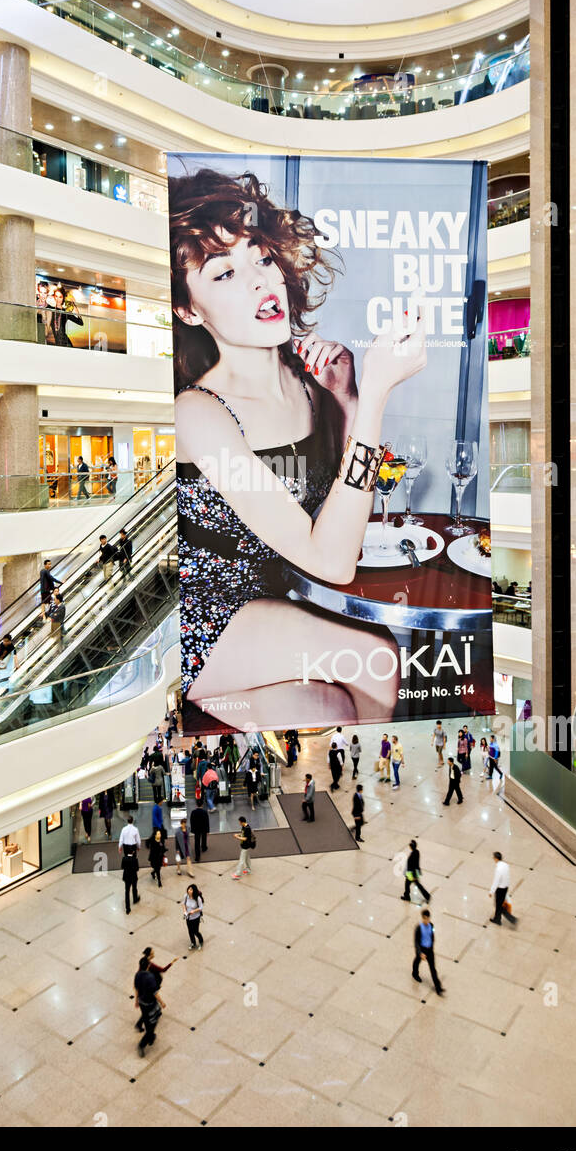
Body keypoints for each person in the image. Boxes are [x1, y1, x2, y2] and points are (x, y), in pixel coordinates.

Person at [170, 166, 425, 730]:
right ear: (188, 310)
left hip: (285, 599)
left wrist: (352, 403)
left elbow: (346, 518)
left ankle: (358, 803)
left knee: (345, 696)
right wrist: (379, 394)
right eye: (223, 274)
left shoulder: (308, 385)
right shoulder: (198, 413)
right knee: (376, 655)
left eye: (261, 258)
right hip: (209, 619)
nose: (261, 282)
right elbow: (333, 561)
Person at [133, 954, 162, 1056]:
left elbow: (136, 989)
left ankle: (150, 1036)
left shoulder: (137, 975)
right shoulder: (150, 977)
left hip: (142, 1003)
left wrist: (136, 1000)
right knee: (152, 1025)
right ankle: (142, 1044)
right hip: (150, 1003)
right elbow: (155, 992)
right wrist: (162, 1002)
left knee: (146, 1019)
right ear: (148, 966)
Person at [412, 909, 444, 995]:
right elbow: (416, 942)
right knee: (417, 961)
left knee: (433, 969)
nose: (426, 920)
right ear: (422, 918)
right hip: (422, 949)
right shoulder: (418, 928)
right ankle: (415, 973)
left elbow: (431, 936)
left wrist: (432, 945)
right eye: (424, 918)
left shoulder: (431, 925)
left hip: (429, 950)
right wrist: (420, 953)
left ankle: (438, 987)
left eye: (427, 918)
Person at [489, 851, 517, 925]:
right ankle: (497, 919)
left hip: (500, 889)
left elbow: (496, 881)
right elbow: (507, 876)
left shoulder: (498, 869)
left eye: (494, 858)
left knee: (498, 905)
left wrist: (491, 892)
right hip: (505, 887)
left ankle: (512, 919)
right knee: (499, 905)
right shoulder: (506, 865)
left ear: (496, 859)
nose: (493, 859)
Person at [402, 839, 430, 903]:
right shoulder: (417, 852)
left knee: (410, 885)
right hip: (413, 872)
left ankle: (427, 896)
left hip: (411, 873)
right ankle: (407, 896)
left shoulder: (413, 854)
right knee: (409, 885)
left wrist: (413, 876)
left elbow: (413, 865)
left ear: (411, 846)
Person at [183, 884, 205, 949]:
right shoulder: (186, 896)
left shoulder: (197, 898)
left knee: (196, 931)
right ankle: (193, 943)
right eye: (189, 889)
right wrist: (184, 912)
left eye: (191, 890)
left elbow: (201, 907)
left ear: (194, 891)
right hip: (188, 917)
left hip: (195, 918)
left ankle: (201, 941)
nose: (189, 891)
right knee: (190, 931)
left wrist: (194, 911)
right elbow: (183, 904)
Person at [122, 846, 141, 916]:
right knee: (134, 888)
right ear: (133, 852)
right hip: (133, 877)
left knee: (127, 892)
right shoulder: (135, 859)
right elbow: (137, 869)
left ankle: (128, 908)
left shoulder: (124, 859)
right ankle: (135, 899)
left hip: (126, 877)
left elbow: (122, 867)